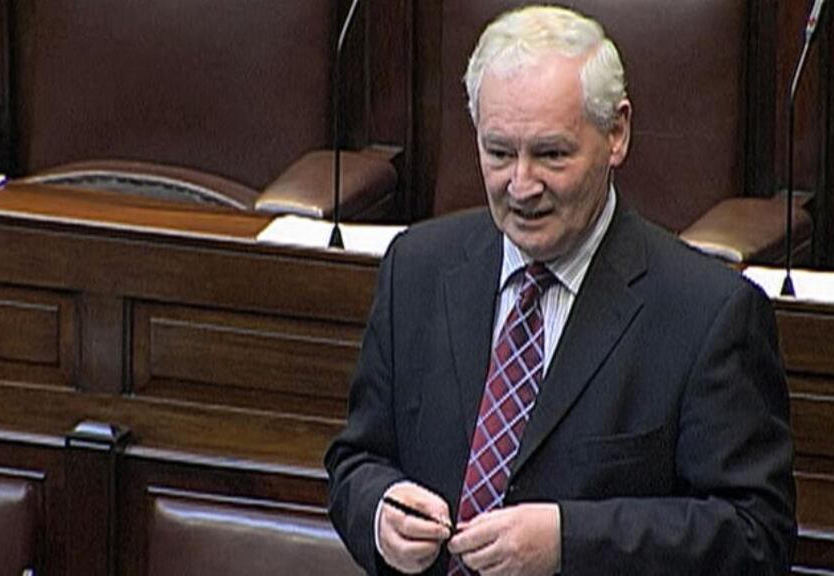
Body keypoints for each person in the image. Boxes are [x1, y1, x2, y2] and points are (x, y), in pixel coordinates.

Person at [325, 5, 796, 575]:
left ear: (616, 133)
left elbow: (755, 538)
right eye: (498, 153)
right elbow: (357, 460)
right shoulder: (417, 269)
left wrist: (570, 543)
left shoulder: (709, 314)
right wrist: (380, 512)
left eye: (551, 154)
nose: (521, 186)